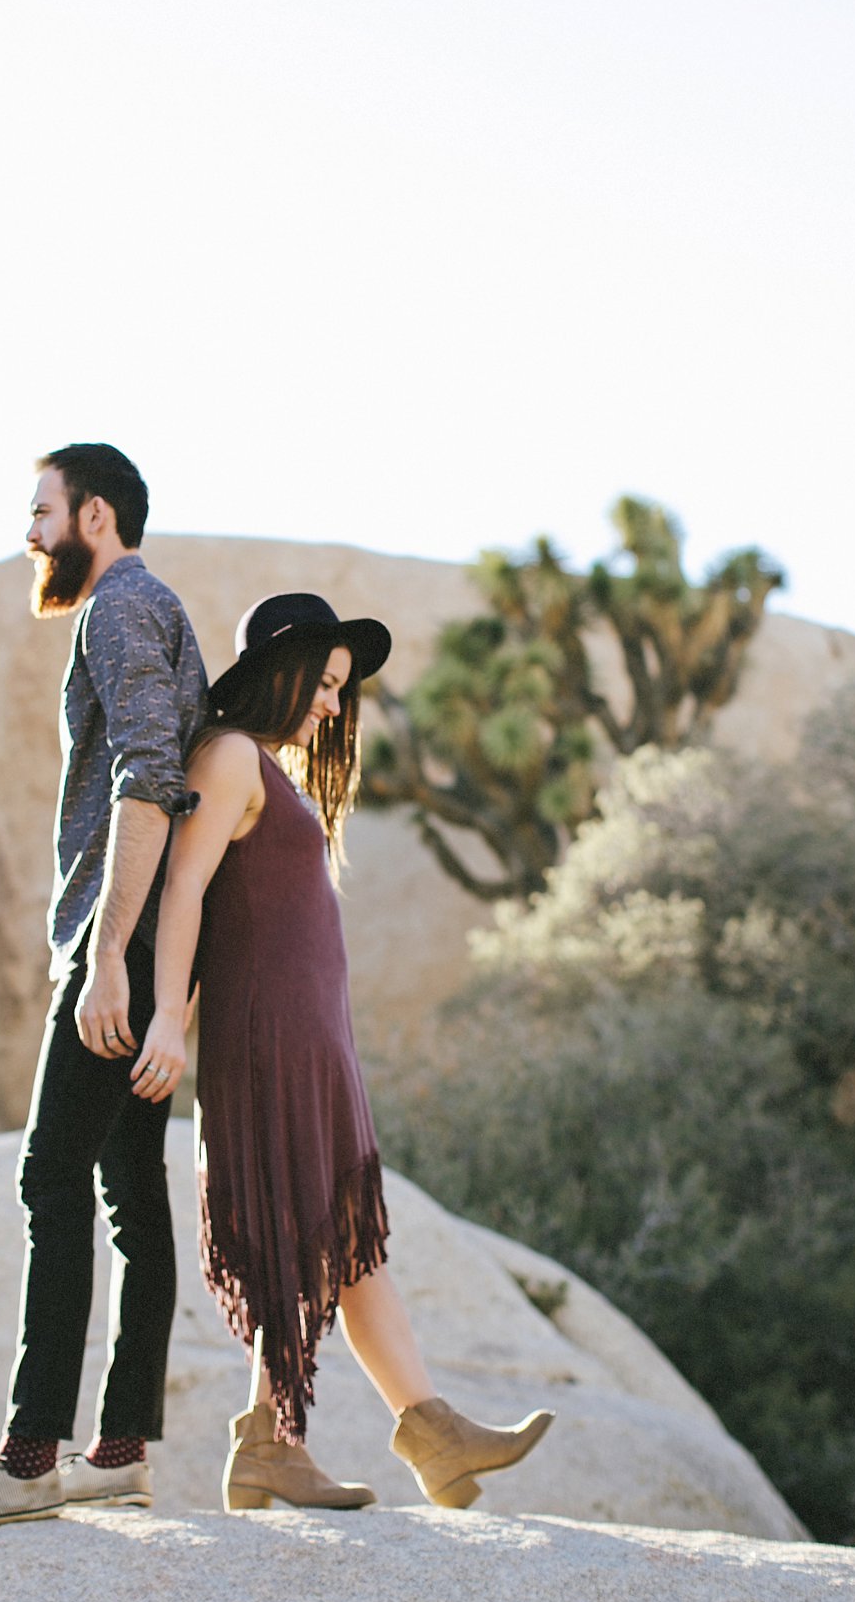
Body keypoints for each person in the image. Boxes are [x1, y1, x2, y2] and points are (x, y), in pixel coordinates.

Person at [131, 591, 554, 1512]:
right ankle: (360, 1435)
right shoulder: (233, 756)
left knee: (341, 1242)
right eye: (323, 684)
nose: (331, 706)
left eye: (339, 690)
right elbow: (185, 889)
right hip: (268, 1042)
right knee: (304, 1232)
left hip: (314, 1042)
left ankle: (376, 1439)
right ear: (280, 671)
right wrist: (169, 1014)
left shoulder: (269, 771)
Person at [0, 444, 209, 1530]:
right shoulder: (162, 610)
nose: (30, 534)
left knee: (48, 1179)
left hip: (124, 937)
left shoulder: (117, 608)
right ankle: (119, 1451)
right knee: (130, 1193)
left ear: (95, 515)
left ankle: (29, 1456)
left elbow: (152, 774)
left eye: (42, 511)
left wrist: (108, 955)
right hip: (160, 938)